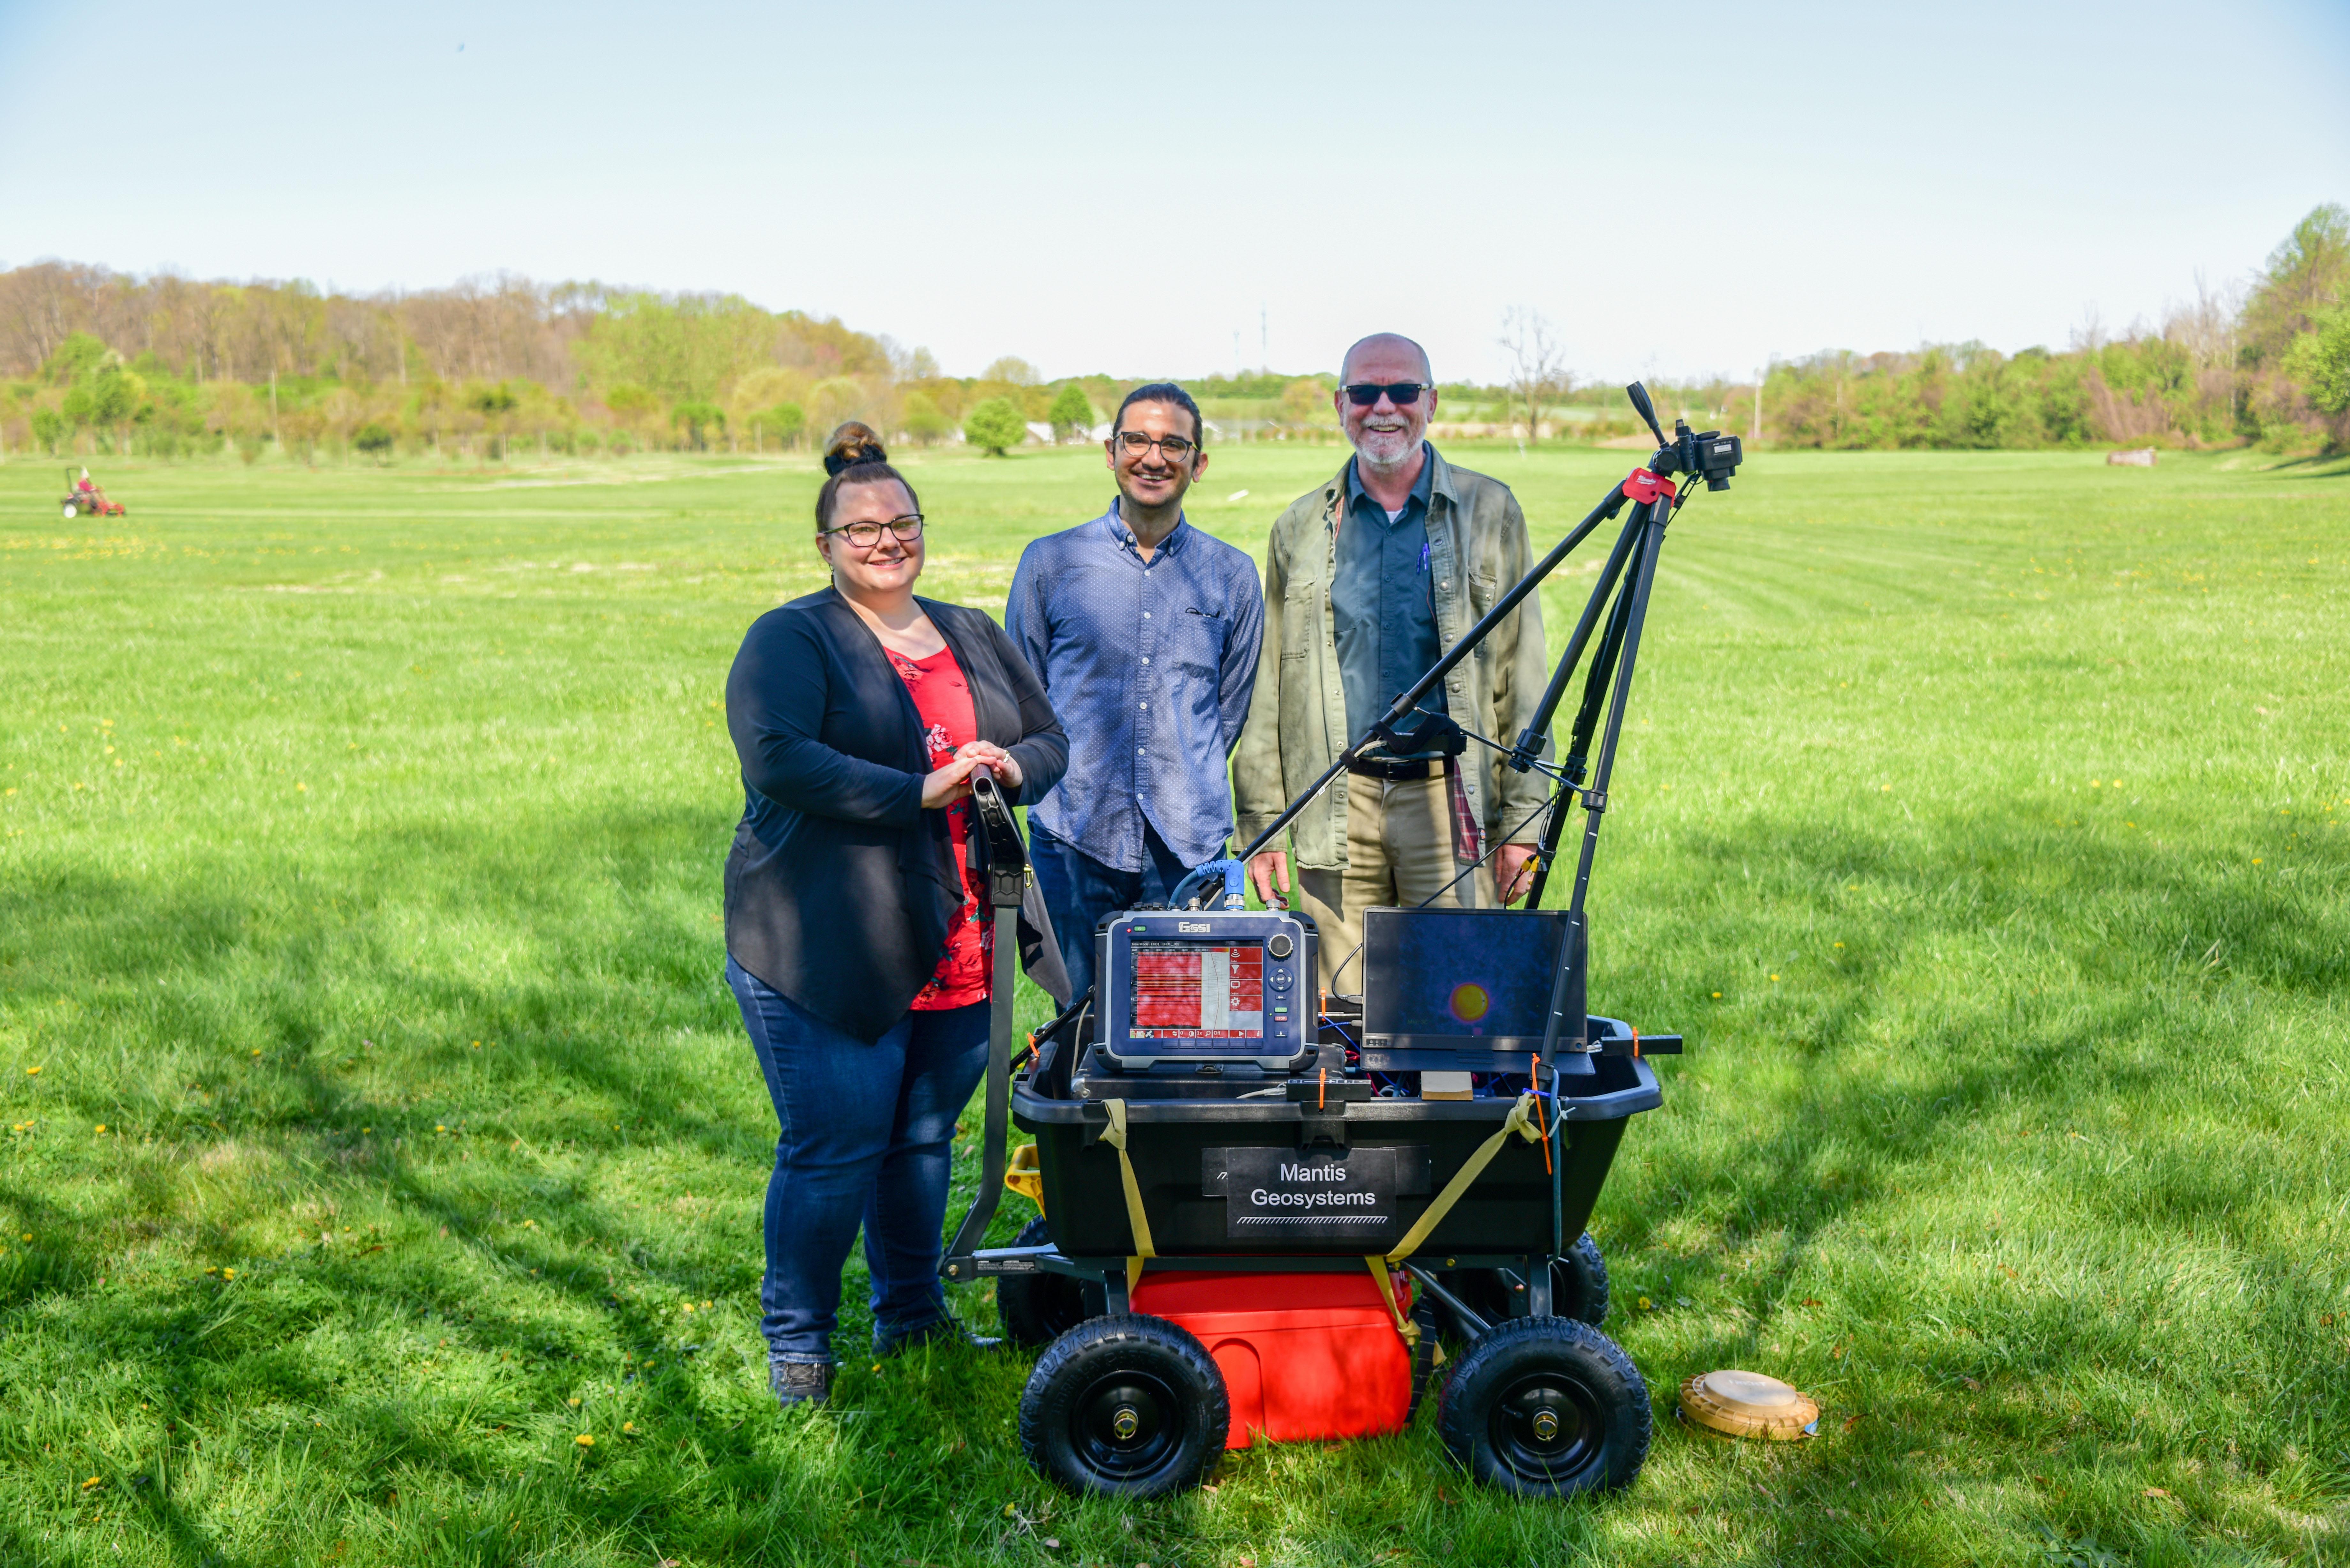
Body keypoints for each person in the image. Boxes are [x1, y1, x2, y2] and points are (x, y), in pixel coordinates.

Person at [722, 422, 1069, 1409]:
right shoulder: (793, 637)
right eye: (861, 529)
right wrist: (917, 791)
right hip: (827, 940)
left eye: (902, 523)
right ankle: (799, 1340)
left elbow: (1049, 739)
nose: (885, 541)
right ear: (826, 544)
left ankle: (911, 1314)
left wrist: (1009, 765)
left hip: (964, 933)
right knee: (834, 1149)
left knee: (920, 1140)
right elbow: (779, 758)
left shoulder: (969, 630)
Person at [1233, 334, 1552, 991]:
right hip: (1334, 805)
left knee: (1459, 1010)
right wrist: (1263, 826)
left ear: (1430, 403)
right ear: (1338, 405)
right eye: (1364, 393)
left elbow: (1524, 678)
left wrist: (1524, 822)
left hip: (1451, 801)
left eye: (1402, 392)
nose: (1384, 407)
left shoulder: (1491, 510)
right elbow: (1271, 685)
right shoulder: (1297, 527)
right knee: (1340, 1021)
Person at [1006, 383, 1264, 999]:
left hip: (1186, 844)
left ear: (1198, 463)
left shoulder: (1232, 576)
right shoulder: (1050, 564)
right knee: (1079, 1024)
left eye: (1174, 443)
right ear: (1111, 451)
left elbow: (1228, 710)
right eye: (1138, 440)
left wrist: (1183, 771)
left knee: (1186, 1025)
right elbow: (1023, 698)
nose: (1155, 457)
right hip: (1074, 837)